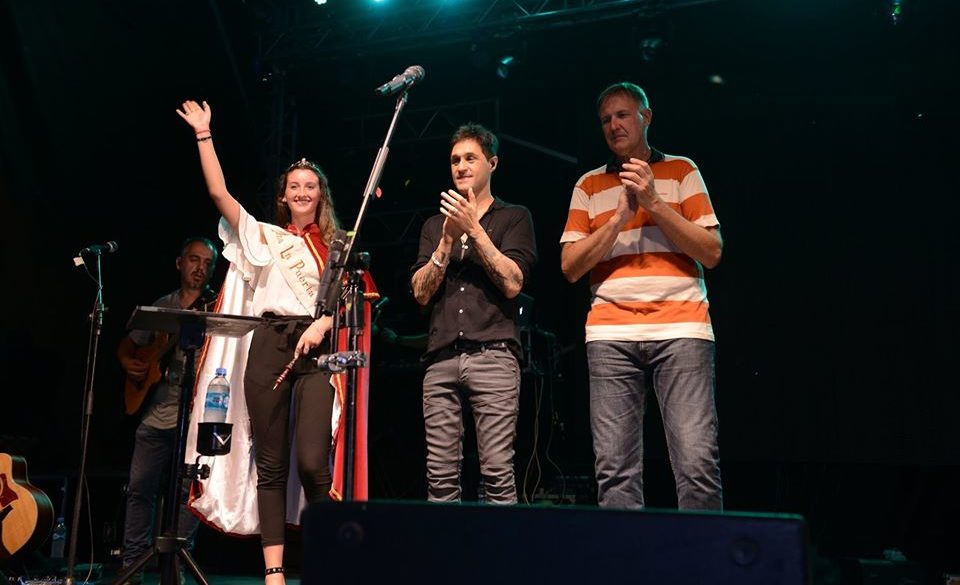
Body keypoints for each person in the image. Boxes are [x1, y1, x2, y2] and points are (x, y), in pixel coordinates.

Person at [176, 99, 377, 584]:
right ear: (284, 196)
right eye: (294, 187)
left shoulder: (339, 247)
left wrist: (323, 324)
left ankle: (328, 559)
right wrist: (204, 134)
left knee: (312, 461)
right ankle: (274, 572)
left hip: (318, 351)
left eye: (311, 186)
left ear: (321, 195)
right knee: (269, 465)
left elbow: (358, 303)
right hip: (269, 345)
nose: (302, 192)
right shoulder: (263, 236)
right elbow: (218, 192)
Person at [560, 82, 724, 510]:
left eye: (623, 115)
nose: (614, 125)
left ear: (646, 117)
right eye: (606, 119)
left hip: (682, 329)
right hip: (611, 334)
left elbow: (711, 252)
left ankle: (704, 553)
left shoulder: (682, 171)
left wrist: (654, 202)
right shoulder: (589, 184)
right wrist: (618, 219)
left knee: (696, 463)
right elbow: (570, 267)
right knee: (614, 471)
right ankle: (625, 552)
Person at [410, 123, 537, 504]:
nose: (461, 167)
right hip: (441, 359)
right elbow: (420, 292)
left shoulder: (514, 217)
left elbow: (513, 283)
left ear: (492, 163)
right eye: (455, 160)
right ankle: (446, 545)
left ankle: (501, 545)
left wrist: (475, 231)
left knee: (497, 473)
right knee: (440, 477)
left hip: (494, 356)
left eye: (470, 158)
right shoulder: (435, 225)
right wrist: (447, 241)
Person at [117, 237, 218, 583]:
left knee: (189, 495)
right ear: (179, 263)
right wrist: (130, 363)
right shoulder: (162, 306)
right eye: (194, 259)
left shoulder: (215, 306)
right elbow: (128, 345)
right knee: (139, 489)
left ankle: (176, 566)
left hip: (195, 419)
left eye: (207, 263)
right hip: (155, 416)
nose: (200, 268)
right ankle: (132, 565)